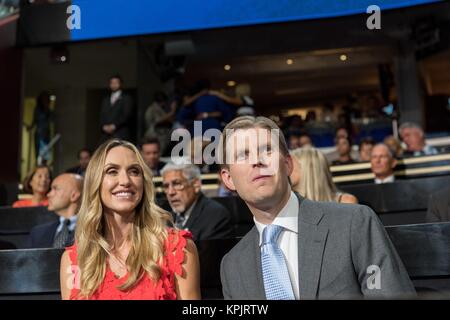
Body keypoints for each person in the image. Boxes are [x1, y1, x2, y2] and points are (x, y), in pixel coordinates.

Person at [219, 116, 416, 300]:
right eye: (243, 155)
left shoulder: (354, 223)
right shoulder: (232, 266)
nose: (257, 161)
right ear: (228, 179)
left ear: (288, 164)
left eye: (266, 150)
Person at [60, 139, 200, 300]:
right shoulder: (75, 260)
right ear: (95, 182)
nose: (125, 181)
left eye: (134, 171)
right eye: (112, 171)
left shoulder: (177, 249)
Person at [161, 163, 234, 242]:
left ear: (196, 185)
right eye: (166, 186)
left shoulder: (215, 215)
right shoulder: (166, 218)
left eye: (177, 184)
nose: (170, 192)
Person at [28, 173, 83, 248]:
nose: (48, 194)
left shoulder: (93, 232)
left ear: (74, 196)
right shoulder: (37, 233)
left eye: (55, 188)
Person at [290, 148, 357, 204]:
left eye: (290, 165)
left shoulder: (346, 202)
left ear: (308, 170)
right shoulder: (287, 204)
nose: (286, 169)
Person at [99, 75, 134, 142]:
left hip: (120, 133)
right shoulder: (106, 99)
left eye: (116, 82)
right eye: (112, 83)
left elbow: (127, 115)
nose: (114, 85)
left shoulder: (126, 98)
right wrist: (103, 126)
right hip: (106, 134)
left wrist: (114, 126)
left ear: (121, 84)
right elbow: (102, 114)